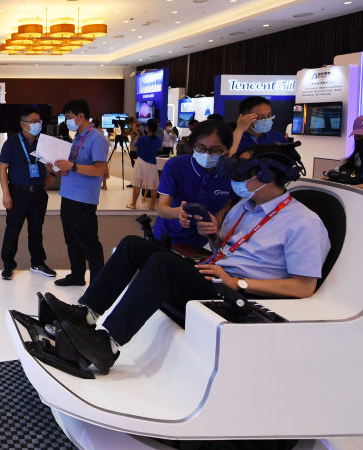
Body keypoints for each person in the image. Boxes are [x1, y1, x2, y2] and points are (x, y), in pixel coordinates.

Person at [46, 143, 330, 374]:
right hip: (215, 273)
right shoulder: (245, 207)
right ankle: (86, 314)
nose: (236, 178)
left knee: (163, 265)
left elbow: (303, 287)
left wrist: (238, 284)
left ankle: (106, 346)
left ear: (267, 176)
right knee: (133, 245)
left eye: (244, 171)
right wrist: (213, 237)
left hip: (234, 291)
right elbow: (227, 248)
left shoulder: (303, 223)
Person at [51, 99, 109, 287]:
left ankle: (98, 284)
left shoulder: (97, 138)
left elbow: (100, 170)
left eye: (69, 117)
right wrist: (57, 165)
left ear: (81, 116)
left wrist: (72, 166)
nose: (67, 121)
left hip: (83, 199)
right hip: (68, 195)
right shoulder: (77, 136)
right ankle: (77, 275)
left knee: (88, 242)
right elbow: (72, 163)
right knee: (72, 240)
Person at [153, 120, 234, 251]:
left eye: (215, 150)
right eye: (201, 148)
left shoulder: (230, 173)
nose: (207, 154)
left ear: (227, 151)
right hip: (167, 238)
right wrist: (177, 212)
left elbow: (227, 205)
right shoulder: (176, 166)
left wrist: (216, 222)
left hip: (202, 244)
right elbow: (162, 208)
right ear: (193, 146)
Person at [0, 107, 56, 280]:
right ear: (23, 124)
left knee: (36, 231)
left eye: (39, 121)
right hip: (18, 193)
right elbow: (3, 168)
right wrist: (6, 194)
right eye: (33, 122)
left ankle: (38, 263)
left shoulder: (44, 143)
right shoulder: (12, 143)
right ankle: (8, 265)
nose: (37, 124)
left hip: (38, 194)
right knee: (13, 230)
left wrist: (51, 177)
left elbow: (54, 163)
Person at [129, 118, 162, 210]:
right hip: (152, 163)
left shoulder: (142, 138)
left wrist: (138, 135)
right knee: (154, 186)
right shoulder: (158, 139)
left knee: (137, 184)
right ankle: (152, 205)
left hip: (141, 163)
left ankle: (133, 204)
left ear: (147, 128)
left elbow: (134, 144)